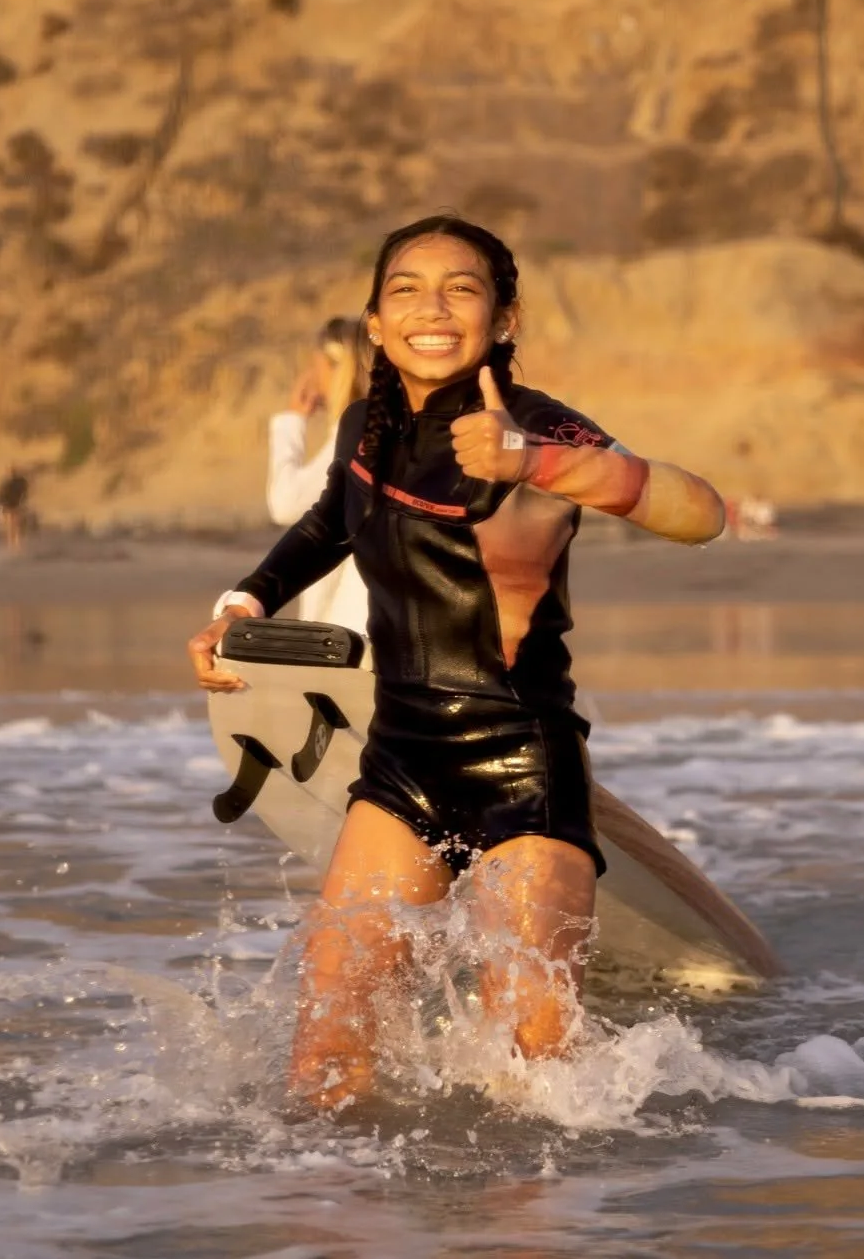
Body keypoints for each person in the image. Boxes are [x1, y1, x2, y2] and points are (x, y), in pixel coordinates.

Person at [186, 215, 728, 1111]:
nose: (431, 309)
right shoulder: (366, 426)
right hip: (399, 761)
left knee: (539, 1078)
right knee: (324, 1068)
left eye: (461, 289)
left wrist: (535, 463)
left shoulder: (539, 425)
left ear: (503, 319)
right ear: (374, 322)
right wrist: (242, 606)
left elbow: (701, 513)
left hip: (521, 765)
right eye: (405, 290)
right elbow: (328, 521)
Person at [267, 316, 372, 631]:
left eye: (318, 366)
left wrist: (291, 422)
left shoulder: (356, 435)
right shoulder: (367, 429)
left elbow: (285, 503)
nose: (312, 377)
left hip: (347, 627)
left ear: (339, 368)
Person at [0, 467, 30, 554]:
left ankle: (15, 545)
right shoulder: (15, 483)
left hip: (13, 505)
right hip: (11, 505)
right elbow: (2, 497)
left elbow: (2, 496)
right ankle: (14, 545)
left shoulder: (13, 483)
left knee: (14, 525)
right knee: (13, 525)